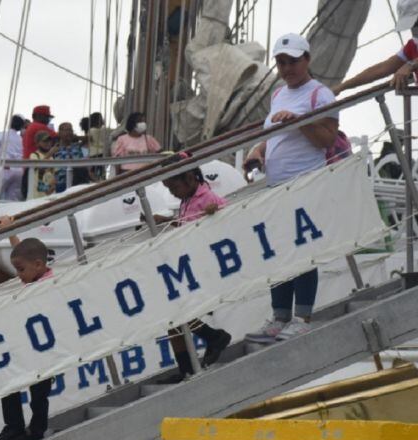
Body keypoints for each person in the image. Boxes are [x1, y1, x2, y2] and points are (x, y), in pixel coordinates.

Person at [243, 33, 339, 343]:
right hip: (277, 184)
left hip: (305, 181)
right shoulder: (278, 95)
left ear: (307, 60)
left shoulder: (320, 95)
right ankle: (280, 315)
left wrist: (300, 121)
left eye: (293, 61)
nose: (287, 68)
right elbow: (275, 136)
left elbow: (326, 140)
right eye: (281, 63)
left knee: (302, 251)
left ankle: (302, 316)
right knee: (280, 253)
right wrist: (259, 150)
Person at [155, 157, 233, 376]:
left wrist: (214, 210)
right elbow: (187, 224)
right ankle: (187, 366)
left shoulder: (205, 196)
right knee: (171, 317)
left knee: (177, 312)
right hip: (190, 261)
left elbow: (224, 210)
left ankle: (213, 337)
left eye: (174, 187)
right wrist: (165, 221)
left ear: (189, 178)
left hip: (204, 264)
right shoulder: (186, 200)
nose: (172, 192)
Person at [0, 216, 54, 440]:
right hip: (29, 344)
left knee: (39, 394)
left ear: (38, 265)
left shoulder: (48, 282)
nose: (18, 274)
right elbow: (24, 253)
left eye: (20, 270)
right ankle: (14, 426)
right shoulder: (35, 273)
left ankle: (36, 430)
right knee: (11, 381)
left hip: (45, 349)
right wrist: (11, 231)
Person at [333, 1, 418, 95]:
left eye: (415, 23)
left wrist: (410, 65)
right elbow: (380, 69)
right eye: (413, 24)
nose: (413, 28)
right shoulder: (413, 45)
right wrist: (342, 87)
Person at [0, 115, 25, 201]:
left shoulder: (1, 135)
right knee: (13, 200)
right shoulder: (21, 139)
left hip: (5, 169)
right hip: (19, 171)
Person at [52, 121, 89, 193]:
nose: (69, 132)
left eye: (71, 130)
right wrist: (50, 153)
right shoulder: (54, 148)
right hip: (61, 183)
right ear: (59, 133)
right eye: (66, 130)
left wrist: (76, 137)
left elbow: (88, 138)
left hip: (78, 182)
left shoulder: (77, 146)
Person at [27, 131, 57, 199]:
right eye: (45, 141)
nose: (48, 143)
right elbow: (38, 166)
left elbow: (54, 173)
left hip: (49, 192)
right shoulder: (34, 155)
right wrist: (50, 153)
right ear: (37, 143)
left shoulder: (52, 157)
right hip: (37, 195)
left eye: (49, 141)